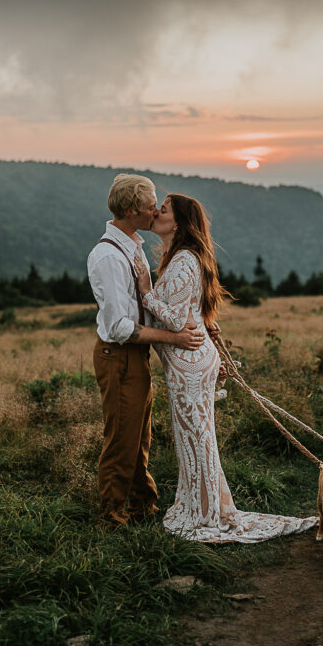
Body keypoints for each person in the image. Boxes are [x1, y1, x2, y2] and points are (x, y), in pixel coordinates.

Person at [133, 193, 318, 542]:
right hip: (189, 360)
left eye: (165, 209)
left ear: (180, 222)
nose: (157, 212)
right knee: (195, 438)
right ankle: (202, 506)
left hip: (189, 363)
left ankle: (204, 514)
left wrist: (145, 291)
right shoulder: (181, 258)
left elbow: (175, 321)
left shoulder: (185, 260)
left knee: (196, 439)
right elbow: (191, 311)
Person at [87, 174, 206, 527]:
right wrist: (175, 339)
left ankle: (143, 505)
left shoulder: (133, 246)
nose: (156, 208)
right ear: (130, 210)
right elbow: (118, 327)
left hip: (136, 356)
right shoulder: (108, 257)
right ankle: (112, 516)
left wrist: (200, 322)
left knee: (139, 436)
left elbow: (149, 306)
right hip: (118, 355)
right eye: (150, 203)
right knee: (122, 437)